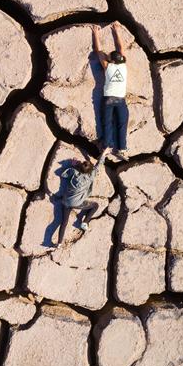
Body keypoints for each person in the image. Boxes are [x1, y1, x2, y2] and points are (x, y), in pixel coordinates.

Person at [92, 22, 129, 160]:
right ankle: (122, 149)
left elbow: (98, 51)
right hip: (120, 100)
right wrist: (117, 31)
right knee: (121, 124)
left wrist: (96, 34)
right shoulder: (124, 66)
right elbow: (121, 47)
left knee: (107, 123)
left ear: (111, 60)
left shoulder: (107, 66)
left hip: (108, 99)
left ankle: (107, 147)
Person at [57, 154, 104, 244]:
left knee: (64, 223)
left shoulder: (74, 172)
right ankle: (85, 222)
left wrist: (73, 165)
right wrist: (104, 154)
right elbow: (99, 165)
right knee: (95, 206)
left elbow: (64, 174)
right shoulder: (90, 177)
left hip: (66, 201)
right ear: (90, 171)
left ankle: (59, 243)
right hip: (77, 203)